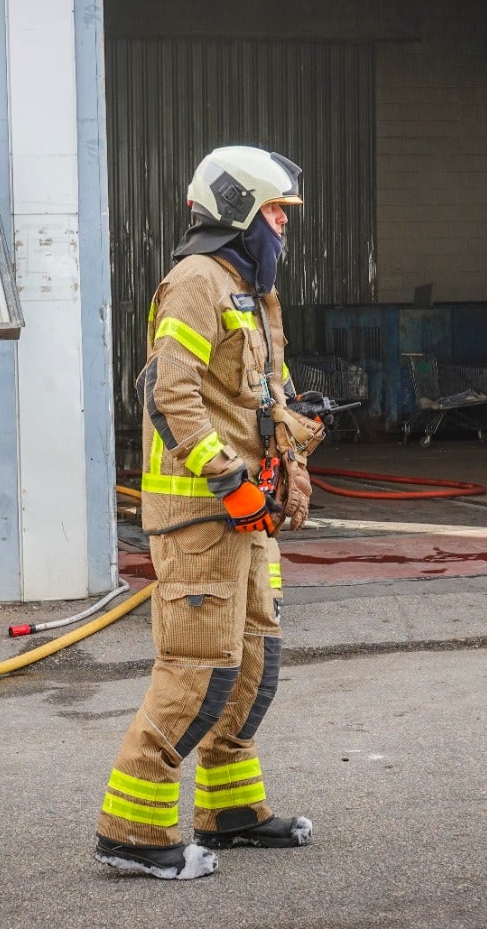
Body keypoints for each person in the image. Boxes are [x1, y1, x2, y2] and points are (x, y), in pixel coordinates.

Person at [95, 146, 325, 881]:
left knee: (253, 665)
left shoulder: (251, 294)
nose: (284, 226)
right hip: (203, 515)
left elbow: (263, 395)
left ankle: (229, 814)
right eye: (275, 212)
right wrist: (227, 480)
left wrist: (296, 436)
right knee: (197, 669)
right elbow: (172, 394)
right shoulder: (195, 282)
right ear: (238, 210)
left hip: (246, 517)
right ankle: (132, 834)